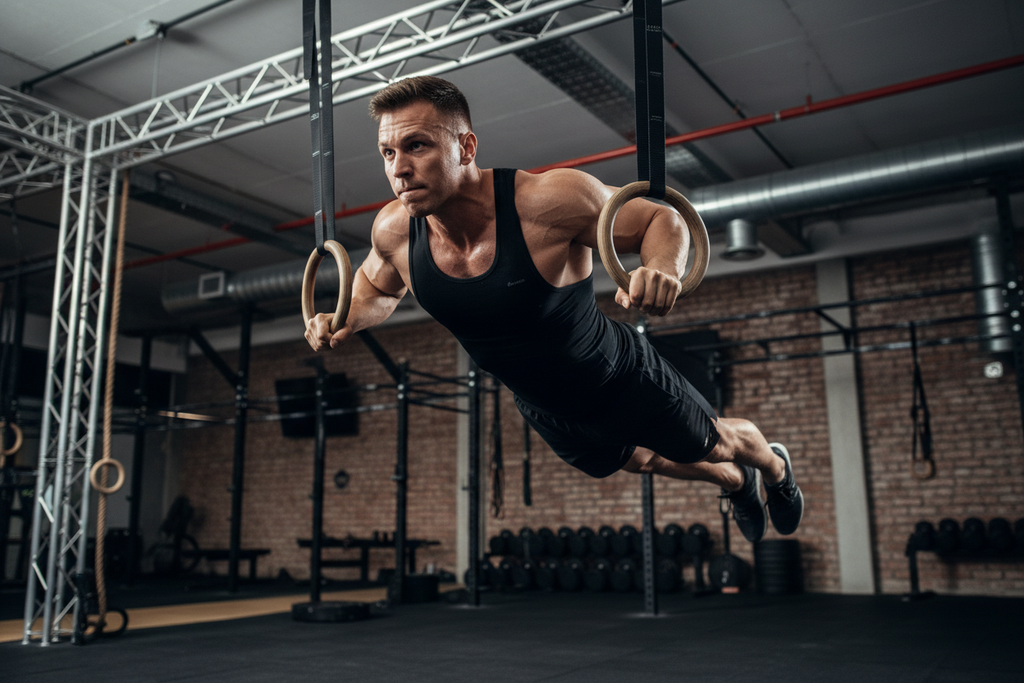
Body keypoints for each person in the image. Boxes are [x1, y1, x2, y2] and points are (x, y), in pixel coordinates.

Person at [305, 76, 802, 542]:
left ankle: (774, 468)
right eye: (388, 152)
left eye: (416, 145)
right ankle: (737, 485)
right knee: (641, 461)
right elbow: (376, 287)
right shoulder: (393, 230)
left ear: (466, 147)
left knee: (709, 444)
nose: (398, 168)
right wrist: (343, 317)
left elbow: (661, 219)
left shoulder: (548, 201)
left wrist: (662, 269)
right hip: (546, 405)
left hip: (619, 376)